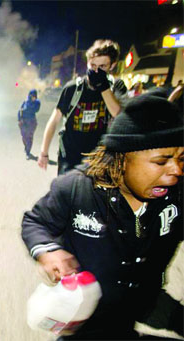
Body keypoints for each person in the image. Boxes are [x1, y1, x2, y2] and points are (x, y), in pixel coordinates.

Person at [22, 93, 183, 339]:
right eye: (161, 161)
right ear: (121, 158)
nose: (176, 170)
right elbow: (36, 221)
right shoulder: (76, 188)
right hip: (85, 315)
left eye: (182, 158)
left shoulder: (177, 196)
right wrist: (47, 251)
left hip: (144, 302)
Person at [38, 39, 127, 175]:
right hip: (70, 157)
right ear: (87, 63)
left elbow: (119, 115)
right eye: (93, 65)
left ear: (112, 65)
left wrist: (103, 87)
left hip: (98, 159)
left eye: (102, 66)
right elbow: (54, 120)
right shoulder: (73, 88)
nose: (96, 70)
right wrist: (44, 152)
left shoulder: (116, 87)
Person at [18, 89, 41, 160]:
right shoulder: (25, 102)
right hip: (24, 121)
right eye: (32, 96)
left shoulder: (37, 103)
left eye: (35, 96)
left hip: (31, 121)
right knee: (24, 136)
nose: (34, 98)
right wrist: (19, 119)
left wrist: (28, 108)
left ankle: (28, 152)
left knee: (29, 136)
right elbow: (20, 111)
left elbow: (36, 110)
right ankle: (26, 147)